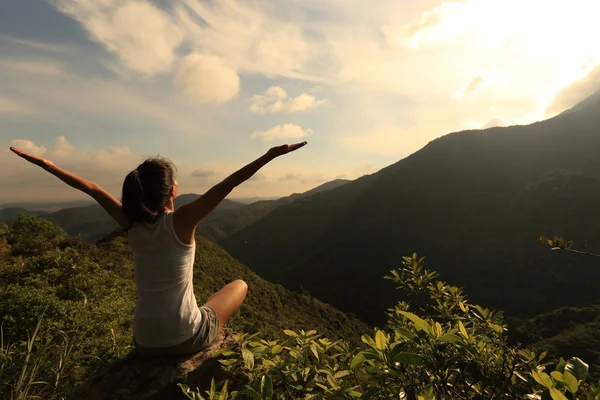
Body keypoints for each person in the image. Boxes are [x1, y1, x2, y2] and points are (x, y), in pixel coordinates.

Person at [9, 142, 307, 355]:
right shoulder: (183, 219)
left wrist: (47, 165)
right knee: (239, 284)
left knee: (200, 300)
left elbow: (93, 189)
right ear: (172, 190)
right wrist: (268, 156)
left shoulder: (130, 224)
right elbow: (227, 185)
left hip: (144, 341)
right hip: (185, 338)